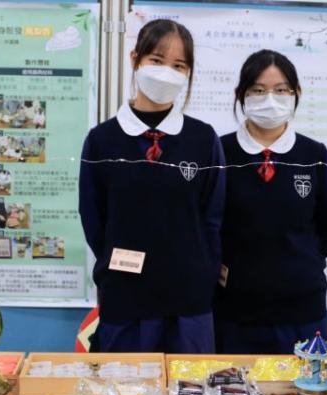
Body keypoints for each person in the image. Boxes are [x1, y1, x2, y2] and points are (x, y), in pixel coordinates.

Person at [79, 19, 225, 353]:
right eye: (157, 61)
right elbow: (93, 218)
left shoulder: (203, 139)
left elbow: (213, 217)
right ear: (135, 60)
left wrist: (201, 273)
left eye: (179, 66)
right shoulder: (102, 140)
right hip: (125, 296)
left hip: (189, 302)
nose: (166, 73)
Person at [214, 50, 327, 354]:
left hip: (301, 311)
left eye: (281, 90)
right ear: (240, 95)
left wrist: (293, 266)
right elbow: (207, 226)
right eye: (258, 90)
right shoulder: (219, 153)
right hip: (233, 314)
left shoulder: (316, 157)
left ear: (296, 94)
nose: (269, 98)